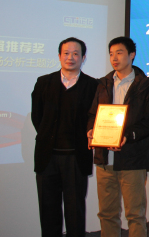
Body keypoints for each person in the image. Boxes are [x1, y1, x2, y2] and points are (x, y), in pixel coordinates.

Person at [87, 37, 149, 237]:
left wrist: (128, 135)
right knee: (107, 213)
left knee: (135, 214)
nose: (114, 58)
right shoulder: (102, 84)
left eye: (119, 53)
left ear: (131, 55)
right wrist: (91, 130)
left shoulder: (145, 86)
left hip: (132, 159)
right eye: (111, 54)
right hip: (105, 158)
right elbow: (93, 114)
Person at [31, 37, 98, 237]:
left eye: (76, 53)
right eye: (66, 53)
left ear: (83, 58)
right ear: (59, 56)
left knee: (75, 212)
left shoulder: (92, 85)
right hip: (47, 158)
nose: (70, 57)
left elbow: (95, 117)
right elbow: (37, 117)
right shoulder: (44, 82)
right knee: (48, 212)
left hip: (76, 158)